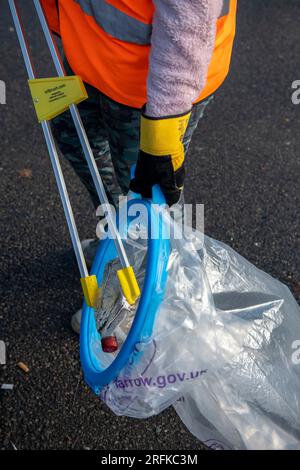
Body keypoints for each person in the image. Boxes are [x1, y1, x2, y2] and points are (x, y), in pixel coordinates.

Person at [41, 0, 237, 332]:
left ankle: (151, 291)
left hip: (151, 88)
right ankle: (118, 240)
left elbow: (188, 20)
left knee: (149, 191)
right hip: (89, 54)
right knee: (72, 135)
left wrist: (162, 132)